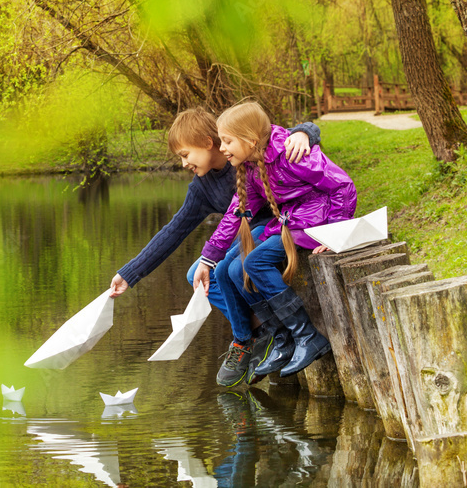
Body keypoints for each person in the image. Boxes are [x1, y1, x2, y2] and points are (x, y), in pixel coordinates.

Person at [108, 107, 321, 384]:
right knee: (195, 276)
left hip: (277, 225)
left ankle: (255, 335)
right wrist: (130, 273)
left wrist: (305, 133)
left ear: (208, 144)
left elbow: (286, 136)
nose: (184, 163)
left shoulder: (241, 147)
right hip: (240, 235)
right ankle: (256, 334)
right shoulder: (202, 187)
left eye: (185, 155)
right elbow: (173, 231)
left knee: (229, 268)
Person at [200, 101, 356, 385]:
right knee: (235, 270)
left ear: (251, 140)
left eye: (227, 140)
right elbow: (237, 212)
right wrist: (209, 256)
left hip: (314, 221)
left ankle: (307, 336)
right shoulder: (251, 167)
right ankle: (282, 338)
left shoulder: (292, 153)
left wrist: (336, 233)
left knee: (255, 262)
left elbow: (343, 185)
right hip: (291, 222)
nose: (222, 148)